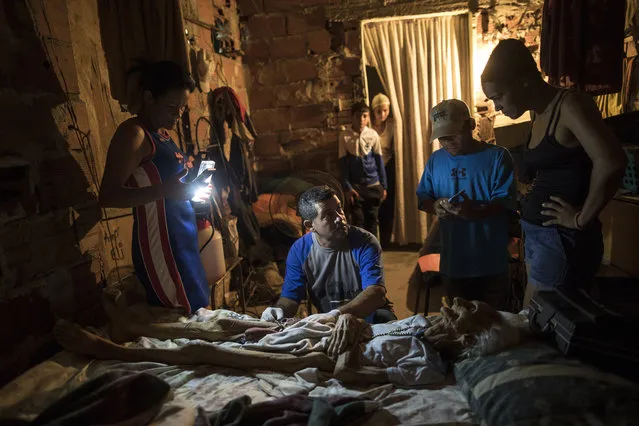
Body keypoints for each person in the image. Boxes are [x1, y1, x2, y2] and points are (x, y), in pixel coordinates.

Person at [54, 297, 520, 387]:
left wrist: (350, 338)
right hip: (328, 334)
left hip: (322, 356)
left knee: (214, 352)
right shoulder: (422, 325)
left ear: (466, 336)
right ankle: (141, 329)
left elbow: (348, 373)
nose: (453, 303)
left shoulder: (430, 367)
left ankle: (113, 351)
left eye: (463, 311)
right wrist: (339, 323)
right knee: (229, 325)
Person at [481, 39, 627, 305]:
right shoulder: (539, 113)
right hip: (541, 236)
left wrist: (581, 219)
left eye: (499, 97)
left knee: (542, 326)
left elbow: (612, 161)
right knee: (532, 318)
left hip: (560, 240)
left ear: (523, 81)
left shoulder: (570, 105)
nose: (497, 106)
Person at [98, 61, 211, 314]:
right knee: (182, 317)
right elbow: (108, 196)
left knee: (199, 310)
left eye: (182, 108)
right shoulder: (134, 134)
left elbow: (169, 182)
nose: (178, 114)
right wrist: (165, 191)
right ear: (149, 97)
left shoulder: (163, 134)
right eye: (172, 107)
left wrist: (194, 179)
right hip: (161, 246)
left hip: (183, 239)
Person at [416, 99, 516, 311]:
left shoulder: (498, 157)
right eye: (442, 137)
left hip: (490, 263)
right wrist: (436, 206)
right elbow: (424, 198)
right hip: (453, 263)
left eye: (453, 134)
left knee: (494, 327)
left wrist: (478, 213)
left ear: (471, 125)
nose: (448, 141)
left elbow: (505, 202)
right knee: (460, 329)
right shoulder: (436, 160)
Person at [261, 185, 395, 325]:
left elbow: (376, 292)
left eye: (339, 209)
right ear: (310, 225)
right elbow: (291, 297)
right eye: (329, 215)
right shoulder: (300, 250)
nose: (340, 218)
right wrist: (278, 310)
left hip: (369, 317)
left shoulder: (365, 242)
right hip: (330, 322)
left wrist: (336, 314)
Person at [338, 102, 388, 237]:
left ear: (368, 118)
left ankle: (374, 254)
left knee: (372, 221)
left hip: (373, 185)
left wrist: (383, 186)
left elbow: (379, 162)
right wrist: (348, 187)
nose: (361, 120)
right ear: (352, 117)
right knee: (358, 222)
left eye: (365, 116)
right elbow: (343, 166)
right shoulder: (344, 136)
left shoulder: (373, 135)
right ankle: (360, 255)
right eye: (358, 116)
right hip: (356, 188)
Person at [371, 93, 396, 248]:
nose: (382, 115)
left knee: (388, 204)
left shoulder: (392, 126)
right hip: (372, 169)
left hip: (387, 167)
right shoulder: (368, 128)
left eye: (385, 111)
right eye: (378, 112)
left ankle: (387, 239)